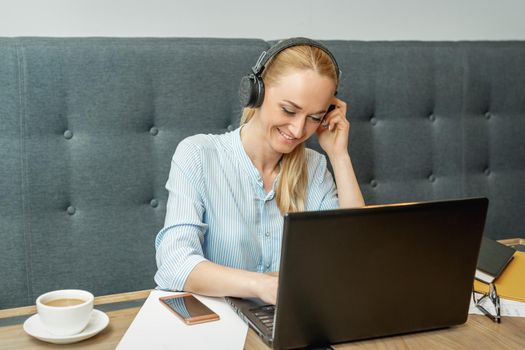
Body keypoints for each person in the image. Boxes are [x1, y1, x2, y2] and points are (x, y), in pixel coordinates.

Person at [154, 38, 365, 305]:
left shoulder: (315, 166)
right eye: (289, 110)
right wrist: (261, 285)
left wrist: (339, 155)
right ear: (257, 93)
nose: (299, 130)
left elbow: (355, 257)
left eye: (314, 117)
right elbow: (174, 262)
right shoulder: (198, 155)